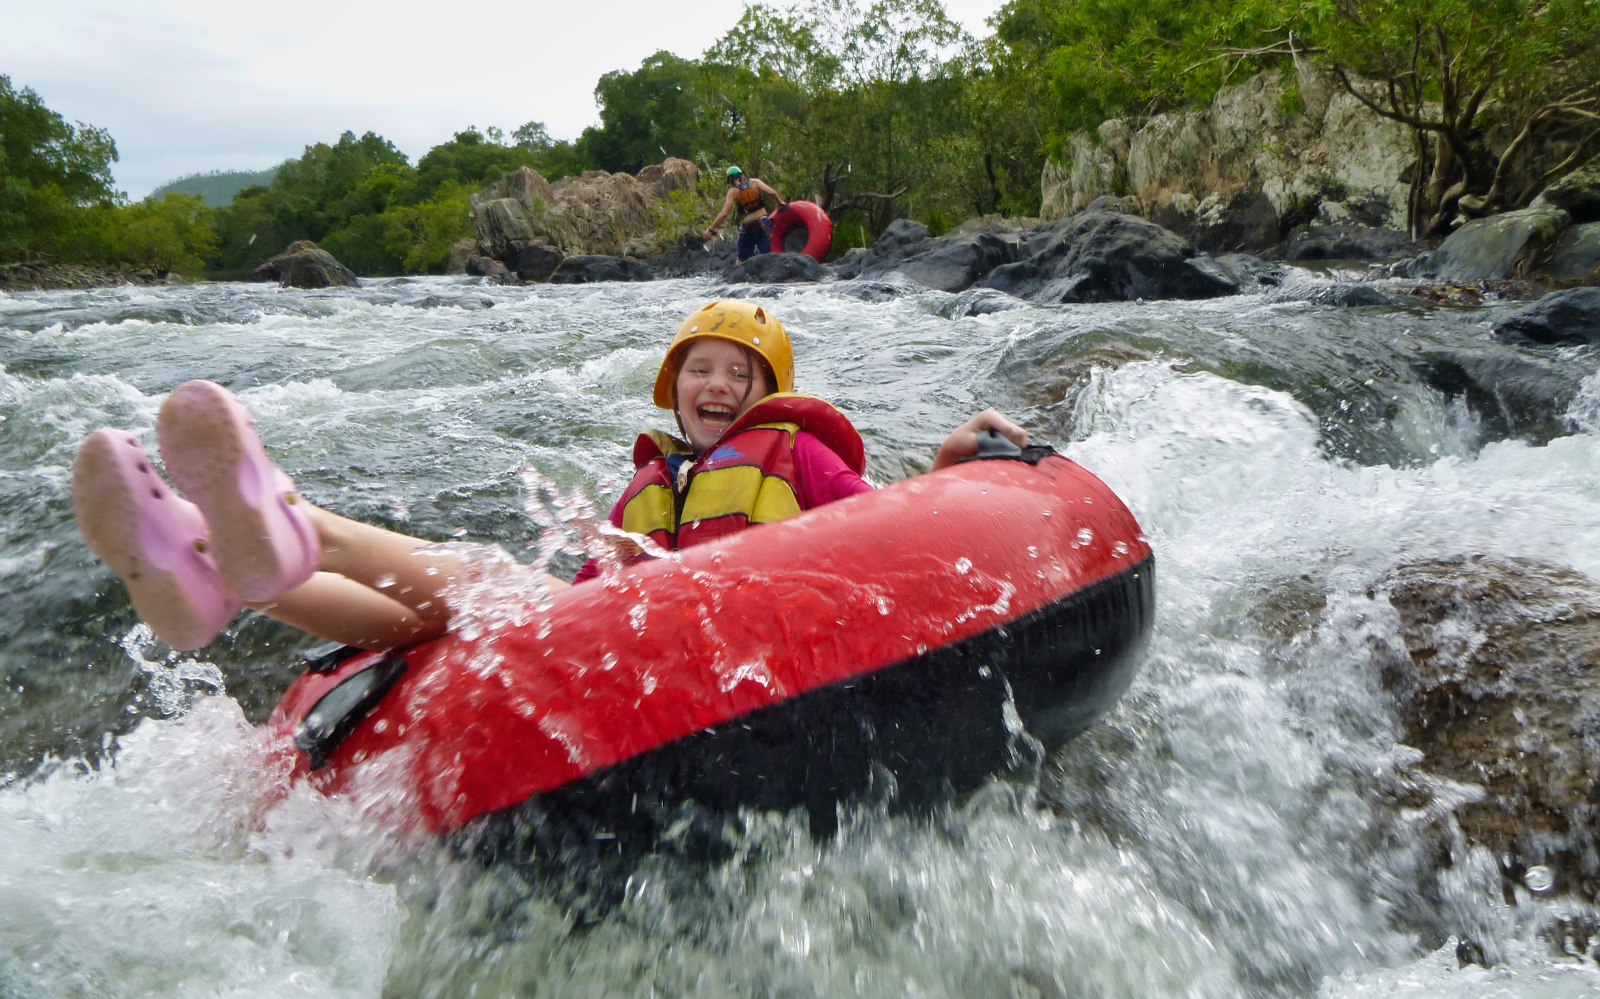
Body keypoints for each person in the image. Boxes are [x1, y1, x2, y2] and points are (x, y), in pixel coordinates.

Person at [70, 300, 1027, 653]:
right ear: (673, 389)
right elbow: (579, 613)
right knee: (435, 621)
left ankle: (297, 525)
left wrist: (943, 468)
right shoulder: (642, 495)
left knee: (486, 584)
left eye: (742, 376)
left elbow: (887, 532)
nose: (720, 384)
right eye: (702, 368)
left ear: (768, 397)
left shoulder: (799, 453)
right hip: (644, 646)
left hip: (737, 642)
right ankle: (219, 567)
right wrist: (614, 559)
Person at [703, 166, 785, 263]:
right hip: (762, 222)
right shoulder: (756, 182)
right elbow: (772, 192)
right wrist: (780, 202)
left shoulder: (733, 191)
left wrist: (710, 229)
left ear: (730, 179)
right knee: (766, 254)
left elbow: (724, 213)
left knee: (742, 260)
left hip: (747, 226)